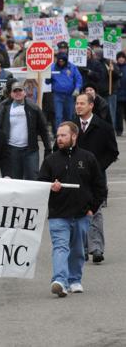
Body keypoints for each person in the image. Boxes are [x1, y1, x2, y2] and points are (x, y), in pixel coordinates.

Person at [38, 122, 106, 297]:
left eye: (63, 135)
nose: (59, 139)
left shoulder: (88, 158)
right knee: (60, 247)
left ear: (74, 136)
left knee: (77, 250)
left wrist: (92, 208)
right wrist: (50, 186)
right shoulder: (50, 160)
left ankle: (75, 280)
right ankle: (59, 280)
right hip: (58, 214)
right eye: (58, 136)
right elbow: (39, 184)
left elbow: (100, 186)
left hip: (82, 214)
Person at [73, 93, 119, 264]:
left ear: (91, 105)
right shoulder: (71, 127)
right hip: (74, 175)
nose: (78, 106)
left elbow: (113, 151)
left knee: (96, 211)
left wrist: (98, 167)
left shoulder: (104, 127)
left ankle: (96, 248)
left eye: (82, 103)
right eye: (77, 103)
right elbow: (59, 147)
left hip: (96, 177)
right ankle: (82, 249)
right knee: (78, 213)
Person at [0, 81, 51, 180]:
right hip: (11, 150)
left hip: (31, 150)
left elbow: (43, 129)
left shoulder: (34, 107)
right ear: (11, 94)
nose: (17, 93)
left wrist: (48, 148)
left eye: (20, 90)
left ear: (24, 92)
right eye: (15, 91)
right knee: (14, 180)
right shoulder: (3, 107)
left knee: (33, 178)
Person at [49, 52, 82, 129]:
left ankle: (69, 132)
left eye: (63, 61)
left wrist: (77, 88)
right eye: (59, 61)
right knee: (58, 116)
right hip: (57, 95)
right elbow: (47, 82)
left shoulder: (72, 67)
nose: (61, 62)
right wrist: (48, 77)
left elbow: (78, 78)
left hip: (69, 95)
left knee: (70, 115)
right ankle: (59, 133)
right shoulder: (52, 67)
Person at [115, 51, 126, 136]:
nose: (121, 59)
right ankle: (119, 129)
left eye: (123, 57)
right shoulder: (114, 67)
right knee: (118, 114)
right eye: (120, 57)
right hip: (118, 94)